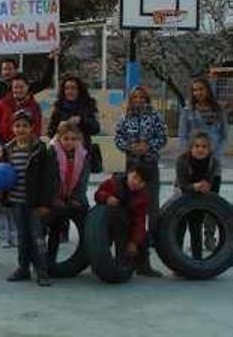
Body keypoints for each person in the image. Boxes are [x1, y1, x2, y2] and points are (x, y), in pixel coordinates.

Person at [114, 85, 167, 277]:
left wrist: (148, 146)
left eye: (141, 97)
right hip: (132, 167)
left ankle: (146, 261)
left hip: (150, 167)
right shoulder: (124, 118)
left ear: (146, 98)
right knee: (131, 212)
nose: (138, 100)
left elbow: (163, 137)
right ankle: (128, 259)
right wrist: (130, 147)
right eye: (135, 97)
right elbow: (117, 138)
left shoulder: (155, 117)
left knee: (151, 211)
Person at [1, 110, 55, 287]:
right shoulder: (8, 150)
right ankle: (23, 268)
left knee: (37, 237)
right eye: (17, 126)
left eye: (25, 126)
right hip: (17, 201)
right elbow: (1, 173)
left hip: (35, 203)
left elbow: (48, 179)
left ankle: (42, 271)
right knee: (22, 236)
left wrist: (45, 203)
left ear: (32, 128)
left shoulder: (40, 149)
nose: (21, 129)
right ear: (12, 128)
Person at [179, 78, 227, 251]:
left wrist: (215, 155)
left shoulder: (218, 110)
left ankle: (209, 237)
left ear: (207, 90)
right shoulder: (188, 110)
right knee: (187, 205)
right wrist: (188, 156)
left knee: (211, 203)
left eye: (201, 89)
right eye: (194, 90)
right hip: (192, 164)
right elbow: (183, 135)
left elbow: (223, 136)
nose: (198, 93)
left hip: (212, 164)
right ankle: (188, 241)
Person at [47, 121, 91, 263]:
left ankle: (92, 256)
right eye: (66, 139)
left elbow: (83, 180)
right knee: (55, 228)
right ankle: (49, 261)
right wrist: (54, 197)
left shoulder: (82, 155)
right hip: (55, 196)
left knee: (89, 223)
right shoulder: (51, 153)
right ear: (59, 138)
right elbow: (50, 178)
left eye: (73, 139)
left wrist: (76, 197)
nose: (69, 142)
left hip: (74, 194)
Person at [174, 131, 221, 260]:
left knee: (196, 228)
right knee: (180, 228)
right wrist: (194, 187)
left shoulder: (214, 162)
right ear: (191, 147)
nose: (200, 149)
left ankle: (197, 261)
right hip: (182, 198)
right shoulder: (182, 160)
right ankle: (177, 262)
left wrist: (208, 187)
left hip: (200, 199)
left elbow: (215, 184)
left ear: (209, 149)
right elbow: (182, 183)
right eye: (197, 146)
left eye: (204, 147)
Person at [94, 168, 150, 274]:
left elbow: (140, 221)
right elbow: (97, 194)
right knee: (97, 241)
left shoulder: (143, 196)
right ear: (129, 174)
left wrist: (134, 242)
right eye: (134, 178)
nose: (136, 183)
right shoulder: (112, 183)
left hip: (125, 226)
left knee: (143, 238)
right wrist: (106, 198)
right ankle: (99, 263)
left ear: (144, 185)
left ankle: (142, 266)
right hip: (106, 223)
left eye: (140, 182)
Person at [48, 75, 100, 146]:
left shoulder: (87, 106)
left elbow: (95, 128)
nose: (70, 91)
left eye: (73, 88)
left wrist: (81, 121)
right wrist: (60, 128)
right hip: (62, 150)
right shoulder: (58, 108)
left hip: (83, 149)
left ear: (79, 90)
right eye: (67, 88)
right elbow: (50, 132)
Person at [0, 74, 43, 144]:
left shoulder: (34, 106)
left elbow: (37, 128)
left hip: (28, 146)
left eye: (21, 87)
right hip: (5, 144)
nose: (18, 90)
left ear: (27, 87)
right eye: (15, 87)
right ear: (12, 88)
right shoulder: (2, 103)